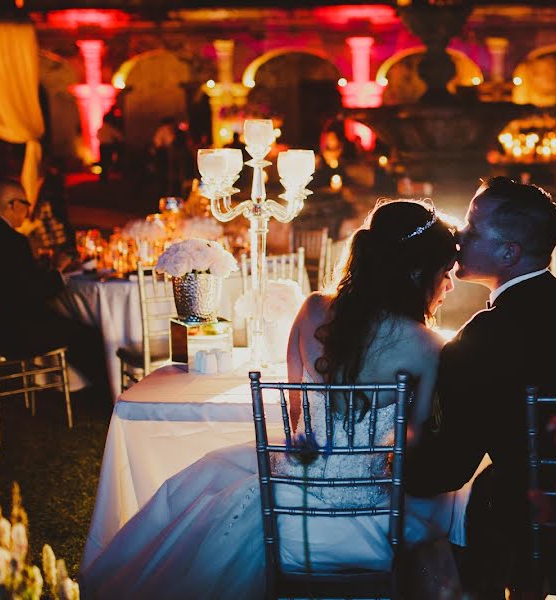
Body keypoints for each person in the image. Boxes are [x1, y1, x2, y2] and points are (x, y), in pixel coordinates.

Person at [81, 200, 468, 599]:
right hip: (372, 518)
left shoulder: (313, 309)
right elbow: (414, 452)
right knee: (444, 524)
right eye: (446, 273)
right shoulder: (429, 347)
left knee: (208, 484)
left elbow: (297, 415)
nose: (450, 285)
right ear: (417, 272)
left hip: (287, 502)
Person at [405, 177, 556, 596]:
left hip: (533, 533)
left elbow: (446, 469)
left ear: (509, 252)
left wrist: (397, 448)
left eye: (470, 227)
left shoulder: (480, 339)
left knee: (459, 522)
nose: (456, 236)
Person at [0, 178, 110, 400]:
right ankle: (105, 394)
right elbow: (35, 293)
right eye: (26, 204)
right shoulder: (13, 241)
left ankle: (80, 386)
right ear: (12, 204)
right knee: (88, 330)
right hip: (14, 335)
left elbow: (13, 281)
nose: (28, 210)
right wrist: (57, 269)